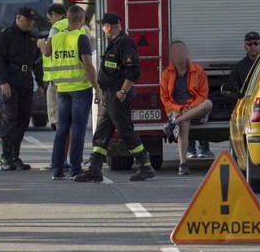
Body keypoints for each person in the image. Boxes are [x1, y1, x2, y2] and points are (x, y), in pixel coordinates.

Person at [73, 12, 156, 182]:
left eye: (102, 27)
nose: (102, 29)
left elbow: (133, 70)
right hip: (108, 95)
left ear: (108, 27)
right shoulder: (115, 43)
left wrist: (123, 91)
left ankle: (145, 165)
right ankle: (95, 168)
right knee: (102, 132)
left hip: (118, 96)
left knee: (125, 131)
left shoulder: (125, 43)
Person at [44, 5, 99, 179]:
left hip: (62, 89)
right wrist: (97, 88)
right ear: (82, 20)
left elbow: (47, 53)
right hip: (80, 89)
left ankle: (57, 169)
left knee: (62, 130)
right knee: (78, 130)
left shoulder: (56, 38)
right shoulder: (81, 37)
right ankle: (75, 169)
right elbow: (88, 65)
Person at [0, 6, 44, 171]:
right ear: (18, 18)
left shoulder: (32, 38)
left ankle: (15, 156)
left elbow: (36, 62)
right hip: (10, 81)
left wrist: (41, 84)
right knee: (9, 119)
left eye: (32, 20)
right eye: (27, 19)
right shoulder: (4, 36)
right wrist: (2, 82)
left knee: (23, 119)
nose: (30, 23)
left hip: (26, 82)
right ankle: (5, 158)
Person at [160, 41, 213, 175]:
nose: (178, 54)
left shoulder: (198, 70)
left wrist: (190, 107)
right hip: (178, 110)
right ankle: (183, 164)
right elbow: (165, 99)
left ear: (185, 52)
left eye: (181, 51)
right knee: (184, 124)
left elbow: (202, 95)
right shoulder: (166, 74)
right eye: (175, 51)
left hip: (196, 109)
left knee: (208, 103)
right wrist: (180, 109)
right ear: (171, 55)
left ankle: (173, 123)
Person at [39, 3, 68, 133]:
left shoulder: (56, 27)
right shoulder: (78, 26)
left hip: (56, 80)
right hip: (73, 80)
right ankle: (70, 151)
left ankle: (62, 149)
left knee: (57, 119)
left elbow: (46, 51)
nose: (50, 21)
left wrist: (41, 44)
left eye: (49, 18)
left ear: (54, 15)